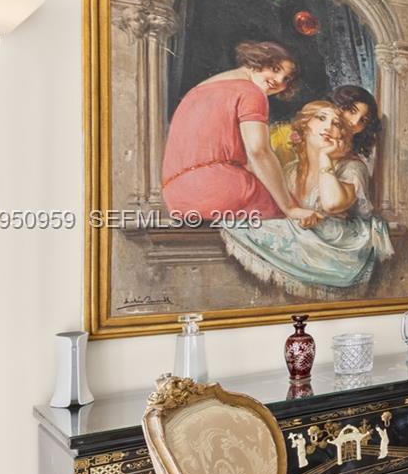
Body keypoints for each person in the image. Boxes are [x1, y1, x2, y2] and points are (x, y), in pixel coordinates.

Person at [220, 100, 393, 298]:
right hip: (311, 241)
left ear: (342, 135)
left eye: (337, 124)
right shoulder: (291, 171)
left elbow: (333, 204)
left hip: (338, 248)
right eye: (321, 118)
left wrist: (325, 158)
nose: (329, 127)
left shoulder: (352, 168)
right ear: (304, 126)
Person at [161, 40, 319, 223]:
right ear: (258, 60)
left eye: (286, 80)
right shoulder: (251, 92)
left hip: (176, 196)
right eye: (275, 69)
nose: (278, 81)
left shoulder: (198, 90)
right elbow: (258, 151)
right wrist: (290, 207)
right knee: (299, 214)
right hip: (218, 191)